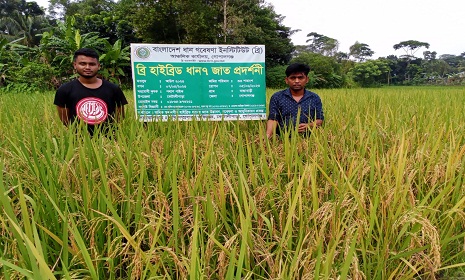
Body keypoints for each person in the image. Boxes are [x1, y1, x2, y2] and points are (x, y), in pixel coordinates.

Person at [54, 48, 128, 135]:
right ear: (75, 65)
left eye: (92, 64)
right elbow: (65, 119)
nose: (87, 67)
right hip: (78, 142)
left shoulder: (113, 89)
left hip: (110, 141)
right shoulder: (64, 90)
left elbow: (119, 117)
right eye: (82, 64)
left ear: (99, 66)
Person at [266, 63, 324, 138]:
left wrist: (309, 125)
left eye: (300, 78)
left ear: (307, 79)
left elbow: (319, 119)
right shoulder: (277, 97)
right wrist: (268, 135)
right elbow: (273, 119)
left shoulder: (314, 98)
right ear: (286, 80)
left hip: (308, 140)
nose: (297, 81)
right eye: (293, 78)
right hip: (283, 140)